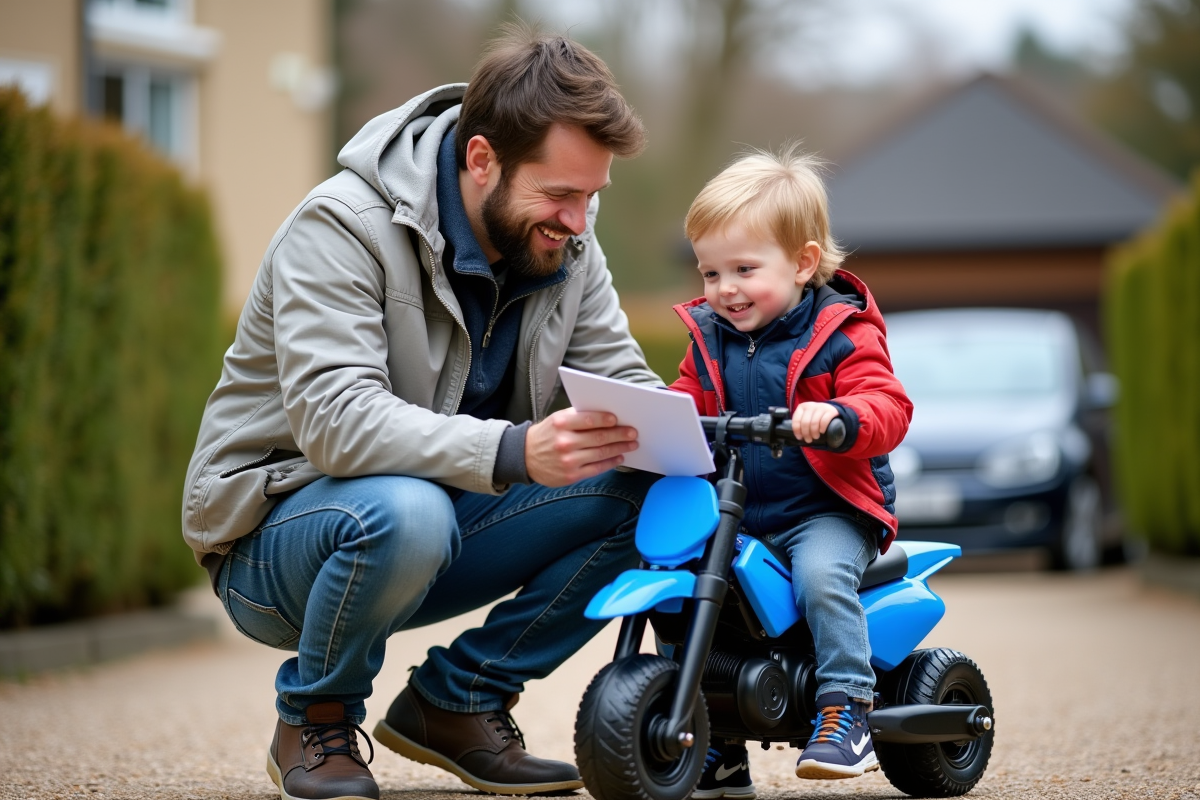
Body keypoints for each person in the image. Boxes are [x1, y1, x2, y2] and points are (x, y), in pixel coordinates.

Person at [181, 26, 663, 800]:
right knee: (405, 511)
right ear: (482, 159)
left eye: (592, 196)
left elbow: (622, 384)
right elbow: (336, 420)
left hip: (437, 524)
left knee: (652, 495)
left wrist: (697, 432)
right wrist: (511, 452)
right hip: (275, 544)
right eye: (561, 194)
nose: (579, 220)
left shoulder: (567, 241)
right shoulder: (340, 226)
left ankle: (458, 702)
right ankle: (316, 716)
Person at [666, 146, 912, 795]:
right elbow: (687, 397)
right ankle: (712, 739)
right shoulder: (710, 336)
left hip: (825, 509)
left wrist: (836, 416)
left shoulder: (843, 331)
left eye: (744, 268)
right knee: (694, 591)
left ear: (803, 262)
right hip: (740, 507)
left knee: (821, 575)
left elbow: (886, 405)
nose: (724, 289)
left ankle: (846, 708)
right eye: (710, 272)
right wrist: (653, 419)